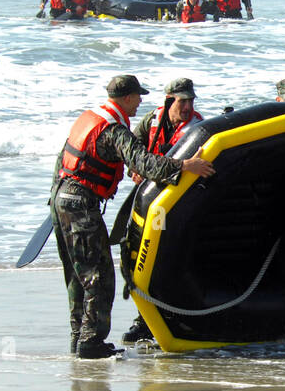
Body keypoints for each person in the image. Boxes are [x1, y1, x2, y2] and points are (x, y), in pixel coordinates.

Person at [51, 74, 216, 358]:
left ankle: (79, 337)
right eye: (137, 96)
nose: (140, 101)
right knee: (99, 277)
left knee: (77, 275)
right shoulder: (115, 130)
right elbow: (143, 161)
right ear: (126, 98)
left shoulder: (90, 118)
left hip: (60, 199)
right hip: (81, 204)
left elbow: (63, 160)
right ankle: (90, 343)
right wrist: (186, 165)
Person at [122, 77, 206, 344]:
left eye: (191, 100)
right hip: (149, 201)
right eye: (182, 101)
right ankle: (143, 321)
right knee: (139, 260)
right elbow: (132, 151)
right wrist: (134, 170)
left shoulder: (199, 127)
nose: (187, 106)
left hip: (177, 205)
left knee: (168, 262)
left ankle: (172, 320)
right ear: (170, 99)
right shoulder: (151, 121)